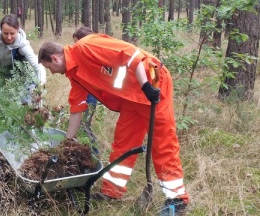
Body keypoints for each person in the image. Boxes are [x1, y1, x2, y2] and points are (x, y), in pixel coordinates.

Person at [37, 27, 189, 213]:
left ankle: (177, 199)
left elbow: (131, 55)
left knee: (162, 143)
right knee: (123, 144)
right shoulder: (74, 74)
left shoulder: (87, 46)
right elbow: (77, 108)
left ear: (55, 58)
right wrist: (67, 142)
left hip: (153, 83)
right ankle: (112, 191)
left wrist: (147, 87)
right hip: (131, 97)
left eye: (48, 68)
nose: (51, 72)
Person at [0, 14, 46, 105]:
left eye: (12, 33)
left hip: (21, 77)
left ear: (18, 31)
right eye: (5, 33)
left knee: (25, 104)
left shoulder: (22, 44)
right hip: (0, 74)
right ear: (0, 30)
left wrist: (40, 85)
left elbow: (39, 66)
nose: (9, 37)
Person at [72, 32, 103, 155]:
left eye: (77, 43)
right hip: (84, 96)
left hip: (90, 96)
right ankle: (89, 150)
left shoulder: (91, 57)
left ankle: (94, 152)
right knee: (83, 124)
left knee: (84, 124)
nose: (75, 46)